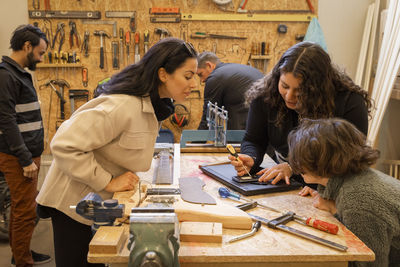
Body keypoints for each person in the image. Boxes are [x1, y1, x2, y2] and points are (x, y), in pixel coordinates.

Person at [36, 37, 198, 267]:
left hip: (94, 201)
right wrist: (108, 181)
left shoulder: (153, 105)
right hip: (72, 200)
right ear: (163, 74)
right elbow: (64, 144)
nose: (194, 84)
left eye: (196, 77)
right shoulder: (123, 105)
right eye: (188, 76)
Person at [229, 41, 373, 187]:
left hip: (334, 185)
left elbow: (351, 159)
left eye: (300, 91)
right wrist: (250, 158)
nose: (289, 96)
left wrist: (294, 168)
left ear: (319, 89)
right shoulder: (266, 94)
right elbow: (254, 139)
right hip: (290, 183)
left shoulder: (349, 101)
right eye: (284, 86)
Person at [288, 118, 400, 267]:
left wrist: (335, 208)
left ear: (319, 161)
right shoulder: (359, 178)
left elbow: (369, 263)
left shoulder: (358, 202)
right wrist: (332, 206)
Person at [0, 24, 52, 267]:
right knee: (25, 211)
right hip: (19, 157)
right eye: (40, 53)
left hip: (28, 154)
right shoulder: (6, 75)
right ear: (27, 46)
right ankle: (23, 261)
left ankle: (20, 253)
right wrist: (24, 159)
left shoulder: (18, 73)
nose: (40, 58)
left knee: (22, 209)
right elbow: (6, 120)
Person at [196, 52, 263, 130]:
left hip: (247, 122)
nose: (202, 80)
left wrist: (196, 141)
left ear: (209, 65)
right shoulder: (234, 69)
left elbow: (208, 117)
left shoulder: (215, 77)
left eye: (200, 74)